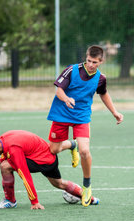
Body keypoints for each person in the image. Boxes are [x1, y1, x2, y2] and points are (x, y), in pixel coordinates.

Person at [47, 45, 124, 207]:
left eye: (94, 62)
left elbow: (103, 94)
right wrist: (67, 99)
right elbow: (59, 91)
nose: (90, 64)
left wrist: (114, 112)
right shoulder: (71, 70)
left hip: (81, 116)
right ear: (86, 57)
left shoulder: (101, 78)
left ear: (101, 61)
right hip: (61, 113)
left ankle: (87, 185)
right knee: (53, 150)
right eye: (88, 60)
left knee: (85, 151)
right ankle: (71, 145)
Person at [0, 130, 99, 209]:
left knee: (5, 166)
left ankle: (10, 201)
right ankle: (91, 198)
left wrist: (34, 201)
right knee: (59, 183)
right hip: (47, 156)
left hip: (44, 162)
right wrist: (1, 159)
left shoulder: (14, 149)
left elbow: (25, 175)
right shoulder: (4, 138)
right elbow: (6, 151)